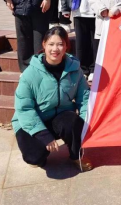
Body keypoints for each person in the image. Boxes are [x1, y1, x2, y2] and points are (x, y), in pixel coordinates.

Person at [12, 26, 92, 171]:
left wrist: (85, 125)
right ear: (44, 45)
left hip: (60, 116)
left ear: (66, 46)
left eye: (60, 44)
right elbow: (24, 108)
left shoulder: (75, 69)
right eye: (51, 44)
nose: (55, 49)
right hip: (34, 118)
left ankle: (76, 155)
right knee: (34, 158)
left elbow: (84, 98)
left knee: (73, 122)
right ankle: (40, 149)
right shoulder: (30, 74)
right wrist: (43, 134)